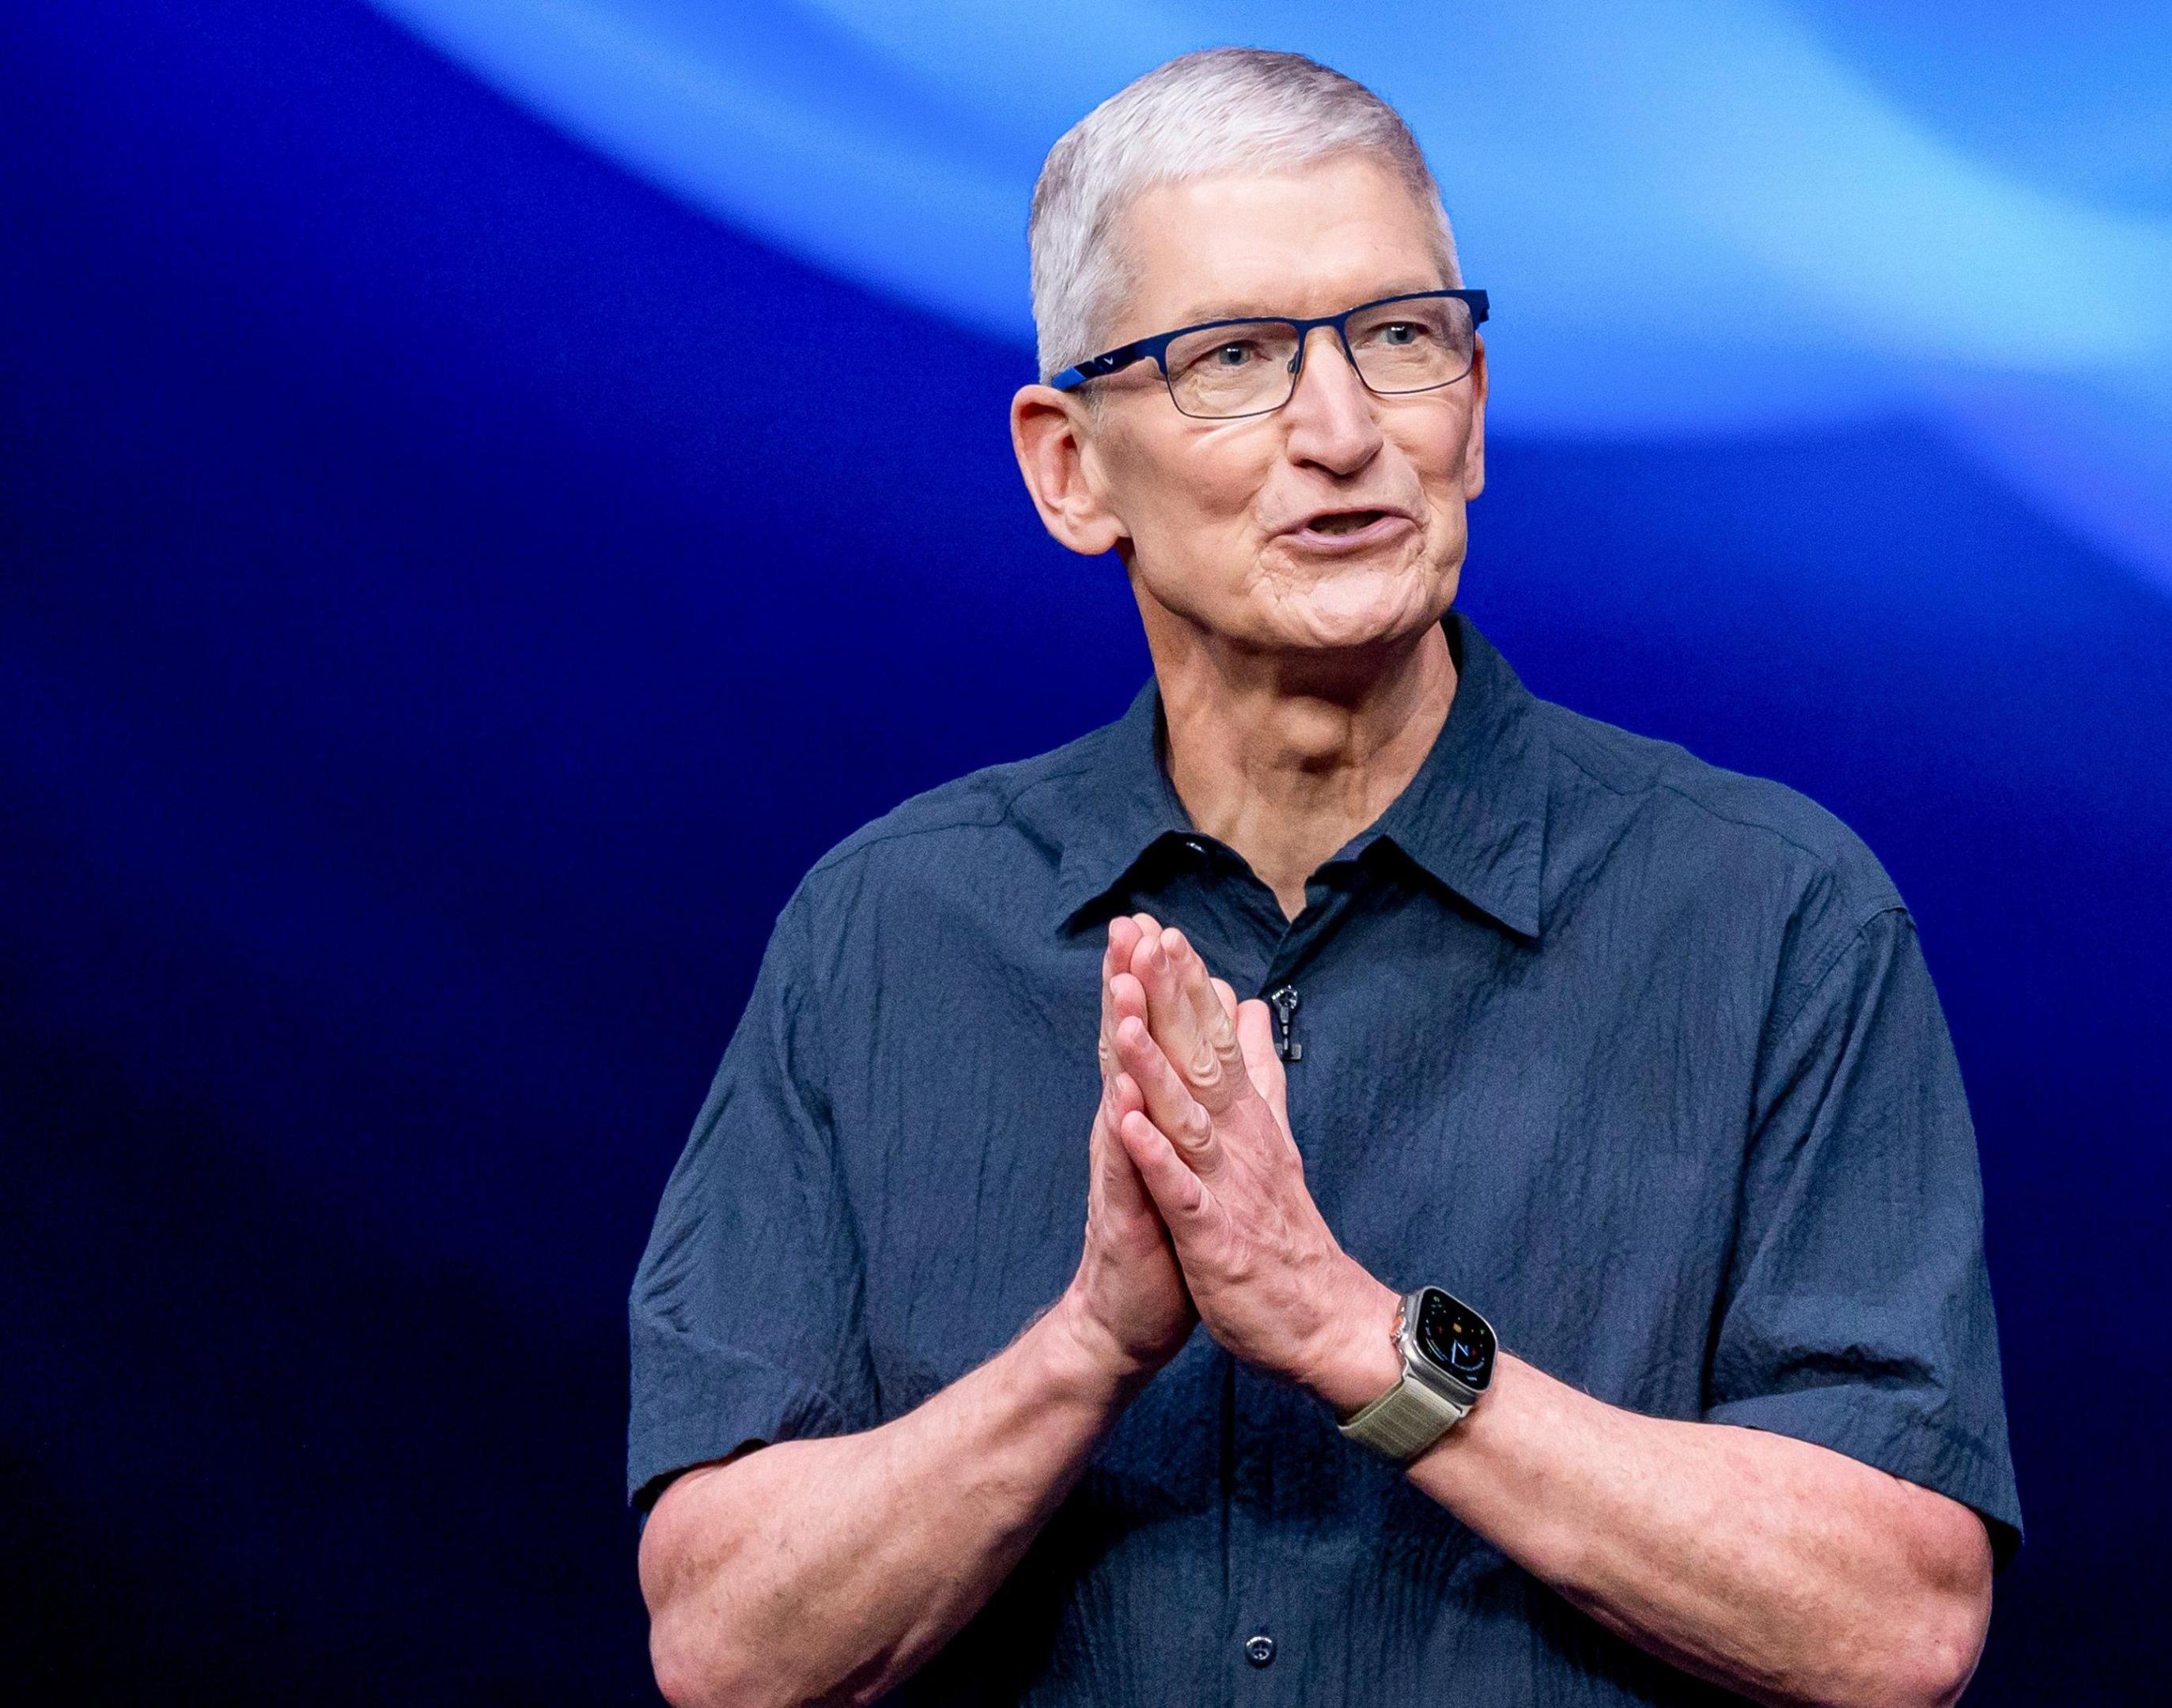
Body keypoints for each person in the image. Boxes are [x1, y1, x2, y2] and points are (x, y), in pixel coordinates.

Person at [627, 47, 2018, 1708]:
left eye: (1401, 339)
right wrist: (1088, 1352)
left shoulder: (1773, 912)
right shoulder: (887, 932)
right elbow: (724, 1650)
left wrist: (1352, 1334)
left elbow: (1894, 1624)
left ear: (1478, 410)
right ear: (1069, 466)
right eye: (1236, 360)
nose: (1345, 431)